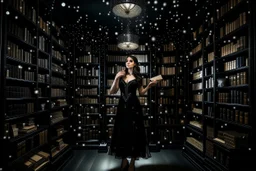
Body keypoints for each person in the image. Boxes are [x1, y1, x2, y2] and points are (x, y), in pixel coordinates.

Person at [108, 55, 158, 171]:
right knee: (122, 131)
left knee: (135, 132)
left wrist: (149, 86)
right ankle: (124, 159)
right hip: (122, 107)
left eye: (130, 61)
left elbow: (141, 93)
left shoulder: (138, 77)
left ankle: (133, 161)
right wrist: (116, 78)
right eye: (127, 61)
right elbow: (112, 91)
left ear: (135, 63)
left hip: (134, 107)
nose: (128, 62)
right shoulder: (120, 75)